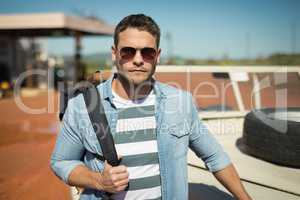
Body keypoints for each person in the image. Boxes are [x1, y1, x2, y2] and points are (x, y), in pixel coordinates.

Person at [51, 14, 252, 200]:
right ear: (114, 53)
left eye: (147, 52)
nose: (138, 59)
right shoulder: (81, 106)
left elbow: (215, 157)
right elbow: (61, 161)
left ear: (157, 55)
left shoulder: (180, 102)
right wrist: (99, 181)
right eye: (128, 51)